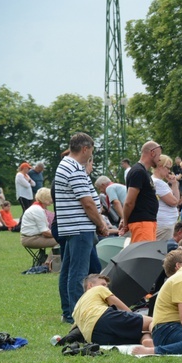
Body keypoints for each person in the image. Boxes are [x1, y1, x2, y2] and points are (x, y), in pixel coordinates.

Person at [54, 133, 109, 324]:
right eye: (91, 151)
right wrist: (101, 224)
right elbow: (87, 203)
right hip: (80, 227)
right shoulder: (75, 169)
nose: (91, 155)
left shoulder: (64, 164)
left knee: (69, 270)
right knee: (78, 273)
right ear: (85, 149)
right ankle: (75, 314)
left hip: (72, 227)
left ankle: (68, 311)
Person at [73, 274, 153, 346]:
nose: (106, 288)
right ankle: (161, 338)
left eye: (107, 286)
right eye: (103, 284)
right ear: (90, 285)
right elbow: (118, 305)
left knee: (139, 333)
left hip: (95, 337)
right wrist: (135, 317)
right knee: (152, 321)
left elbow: (75, 329)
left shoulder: (77, 306)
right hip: (103, 317)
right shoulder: (98, 289)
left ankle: (147, 341)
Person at [120, 141, 161, 242]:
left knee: (148, 255)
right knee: (144, 256)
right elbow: (129, 202)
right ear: (152, 153)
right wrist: (125, 222)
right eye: (159, 155)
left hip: (147, 222)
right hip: (142, 223)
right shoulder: (138, 172)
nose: (159, 159)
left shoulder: (143, 172)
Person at [20, 187, 57, 258]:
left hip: (33, 236)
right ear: (46, 199)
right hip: (31, 239)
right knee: (60, 241)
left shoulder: (36, 208)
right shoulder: (38, 210)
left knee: (60, 239)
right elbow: (45, 232)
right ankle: (48, 264)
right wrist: (59, 235)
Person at [152, 155, 181, 241]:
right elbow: (174, 202)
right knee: (161, 252)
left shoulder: (156, 181)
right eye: (167, 168)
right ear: (160, 166)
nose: (169, 171)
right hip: (164, 224)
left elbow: (176, 201)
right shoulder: (158, 183)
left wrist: (174, 183)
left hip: (164, 223)